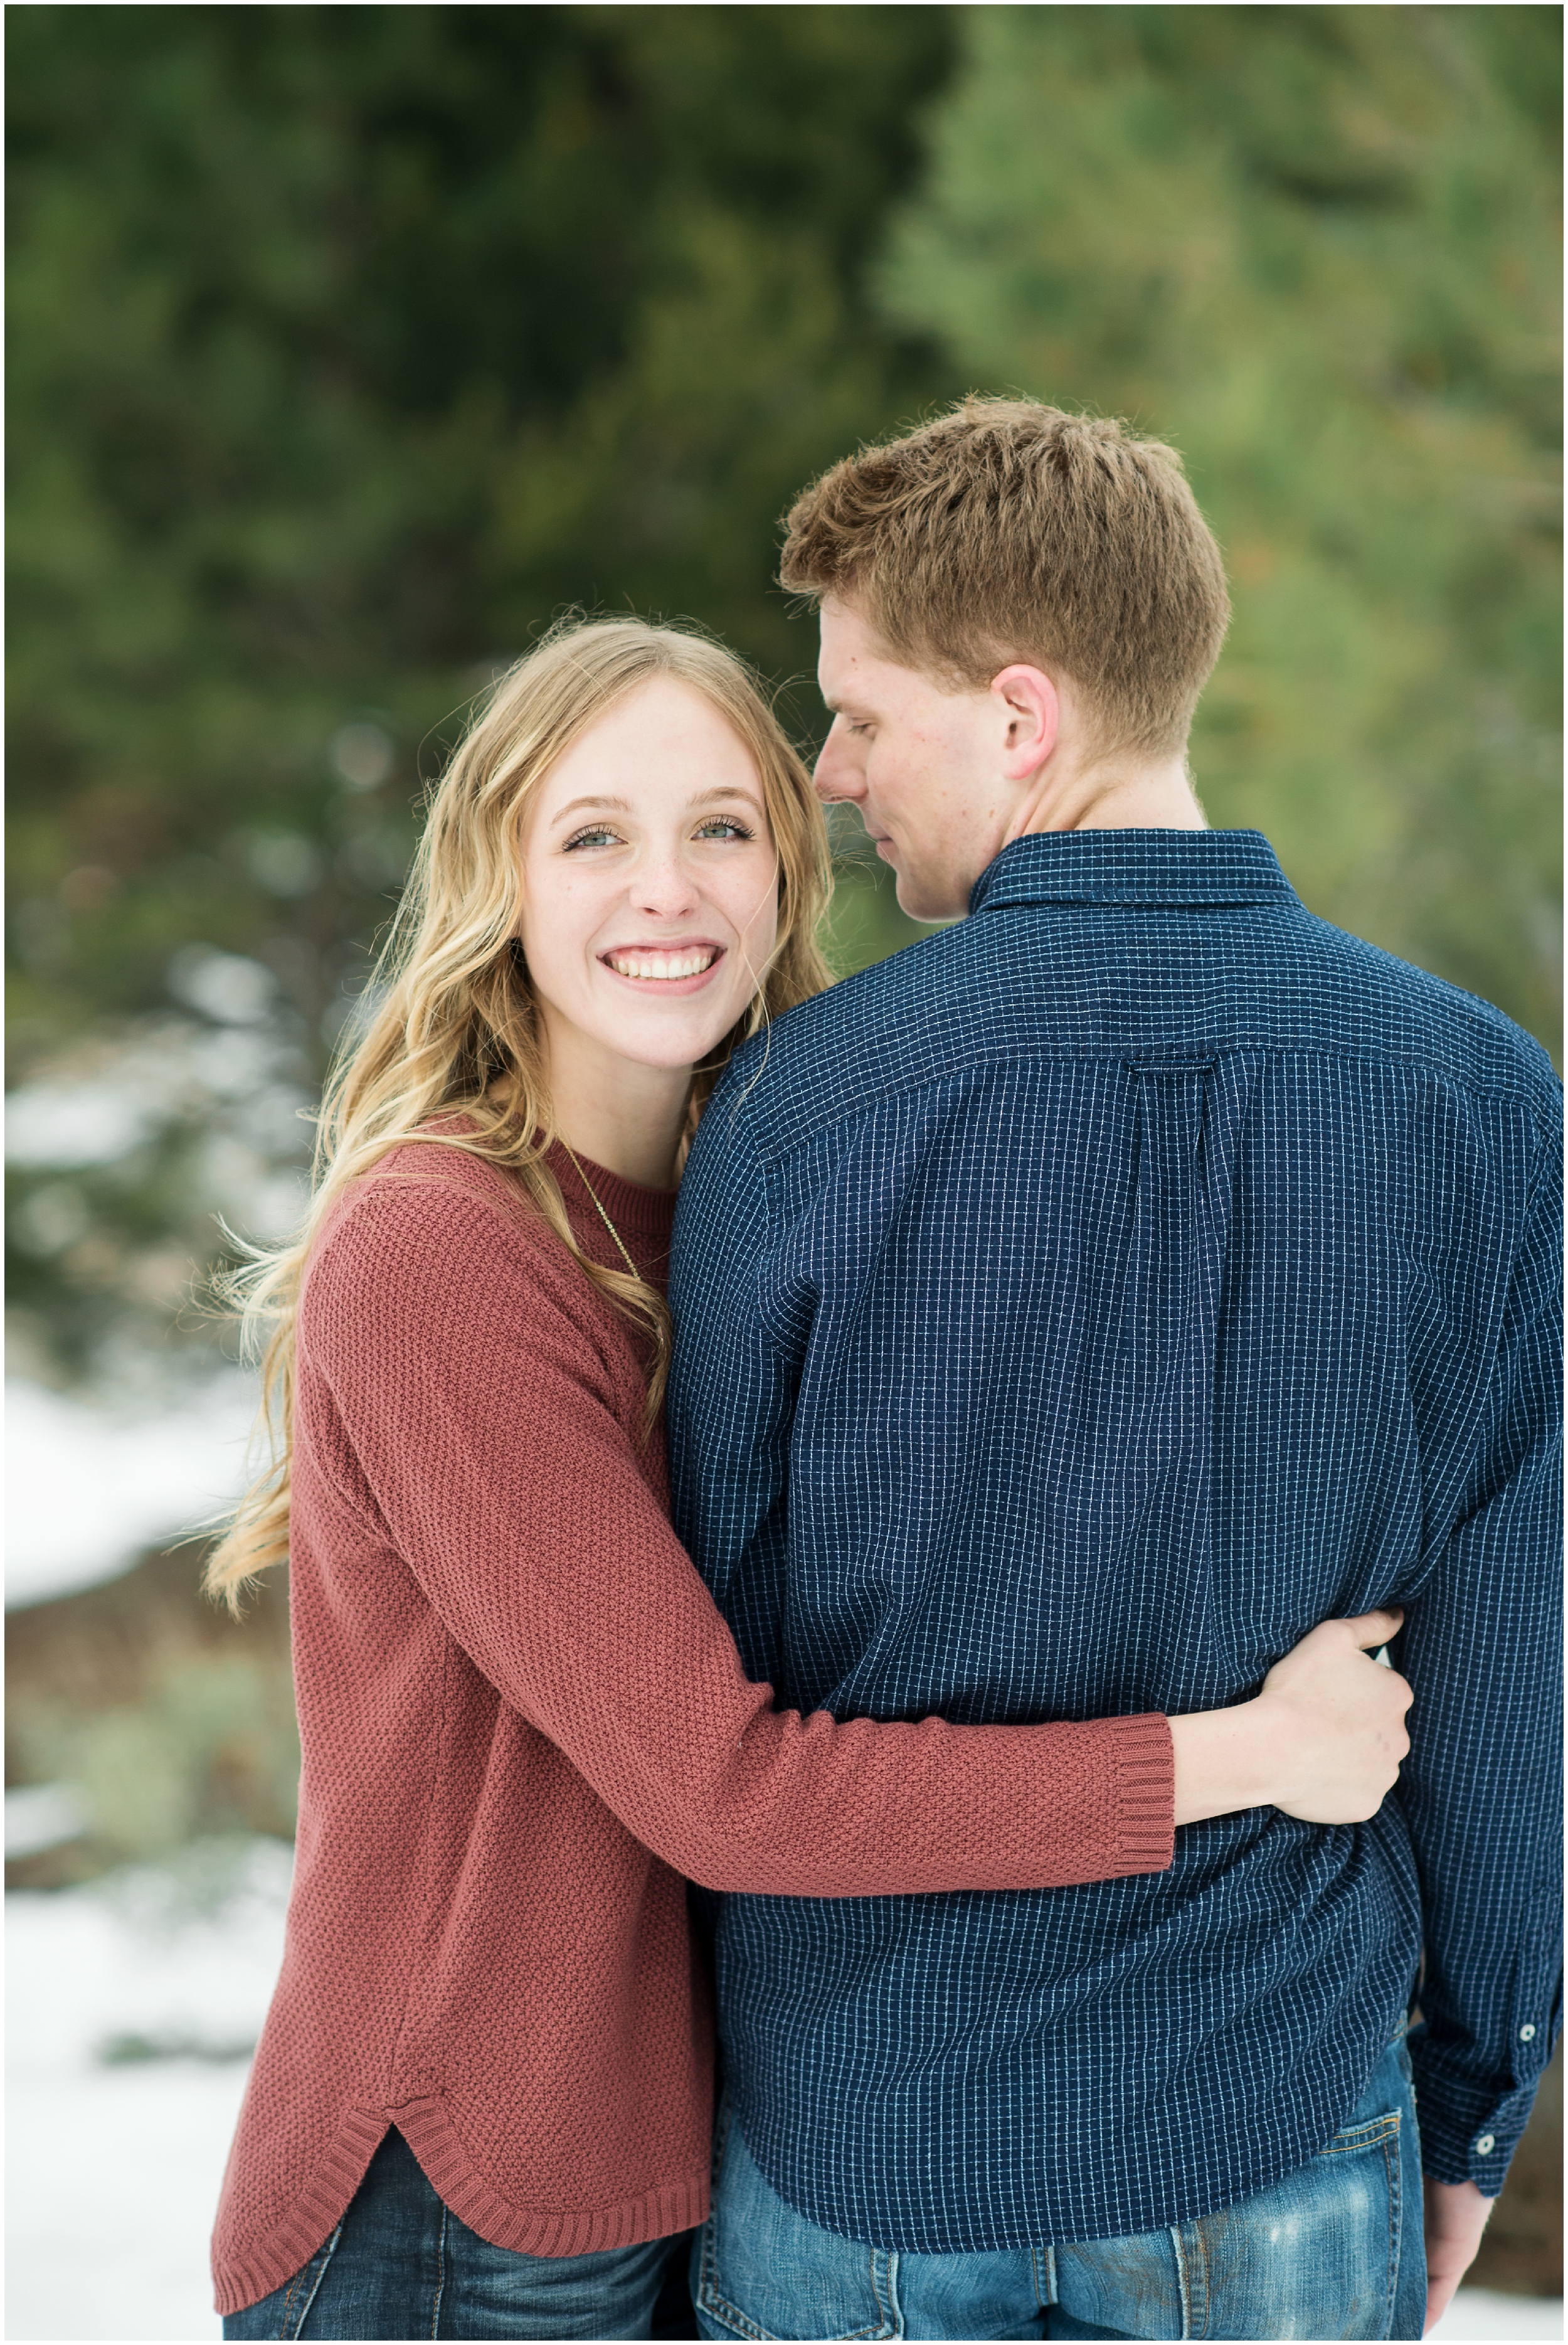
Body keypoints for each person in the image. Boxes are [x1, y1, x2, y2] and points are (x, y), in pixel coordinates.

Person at [205, 616, 1410, 2341]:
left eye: (719, 826)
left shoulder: (745, 1202)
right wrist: (1247, 1756)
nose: (665, 886)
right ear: (502, 878)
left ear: (787, 861)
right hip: (461, 2207)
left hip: (672, 2165)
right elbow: (721, 1784)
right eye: (594, 834)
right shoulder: (443, 1252)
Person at [667, 400, 1562, 2344]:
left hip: (856, 2135)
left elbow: (709, 1658)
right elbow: (1505, 1670)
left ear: (1018, 718)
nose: (828, 775)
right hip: (1276, 2123)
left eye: (863, 714)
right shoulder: (1484, 1105)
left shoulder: (796, 1108)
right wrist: (1475, 2101)